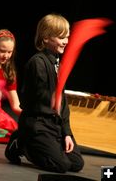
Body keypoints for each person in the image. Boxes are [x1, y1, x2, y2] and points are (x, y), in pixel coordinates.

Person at [5, 13, 84, 172]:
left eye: (67, 37)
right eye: (61, 37)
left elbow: (63, 106)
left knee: (76, 163)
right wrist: (51, 97)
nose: (66, 42)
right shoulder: (37, 63)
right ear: (46, 38)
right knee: (62, 165)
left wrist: (66, 133)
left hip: (54, 126)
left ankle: (46, 146)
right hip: (38, 124)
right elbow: (29, 100)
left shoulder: (58, 64)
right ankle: (21, 142)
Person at [0, 29, 22, 143]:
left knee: (16, 132)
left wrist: (30, 115)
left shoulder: (8, 72)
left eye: (9, 52)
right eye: (2, 51)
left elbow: (15, 105)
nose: (6, 56)